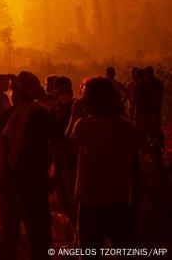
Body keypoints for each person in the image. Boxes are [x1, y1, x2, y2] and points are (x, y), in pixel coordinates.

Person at [0, 71, 61, 260]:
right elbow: (61, 146)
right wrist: (55, 177)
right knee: (39, 240)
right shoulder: (42, 115)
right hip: (35, 185)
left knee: (9, 238)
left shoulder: (6, 117)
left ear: (17, 92)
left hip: (9, 185)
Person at [71, 77, 137, 254]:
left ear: (92, 98)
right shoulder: (127, 126)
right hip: (120, 199)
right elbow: (134, 167)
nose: (81, 98)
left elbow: (66, 149)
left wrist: (73, 114)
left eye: (84, 94)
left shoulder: (84, 125)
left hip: (91, 201)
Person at [50, 76, 78, 229]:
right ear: (55, 93)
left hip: (75, 164)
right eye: (62, 91)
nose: (66, 94)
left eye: (68, 90)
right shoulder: (52, 111)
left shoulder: (80, 109)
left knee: (76, 204)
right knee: (64, 204)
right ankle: (76, 234)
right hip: (59, 164)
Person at [133, 67, 165, 168]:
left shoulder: (138, 85)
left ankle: (139, 161)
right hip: (152, 113)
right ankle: (157, 160)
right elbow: (157, 98)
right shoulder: (152, 85)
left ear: (137, 76)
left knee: (137, 137)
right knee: (153, 137)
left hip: (141, 114)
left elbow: (136, 100)